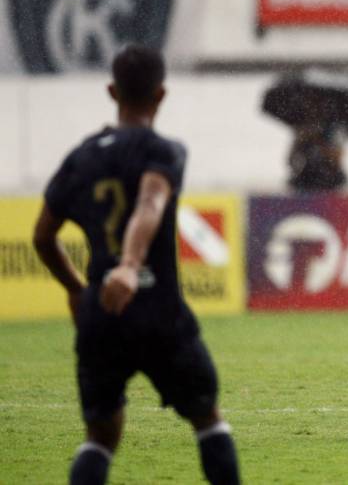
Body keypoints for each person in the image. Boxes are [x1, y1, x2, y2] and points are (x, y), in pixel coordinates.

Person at [32, 45, 241, 484]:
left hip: (101, 313)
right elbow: (150, 200)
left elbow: (43, 236)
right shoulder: (162, 150)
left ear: (112, 91)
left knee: (99, 437)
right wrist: (130, 265)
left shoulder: (82, 157)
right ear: (161, 95)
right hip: (159, 311)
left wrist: (75, 288)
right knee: (208, 421)